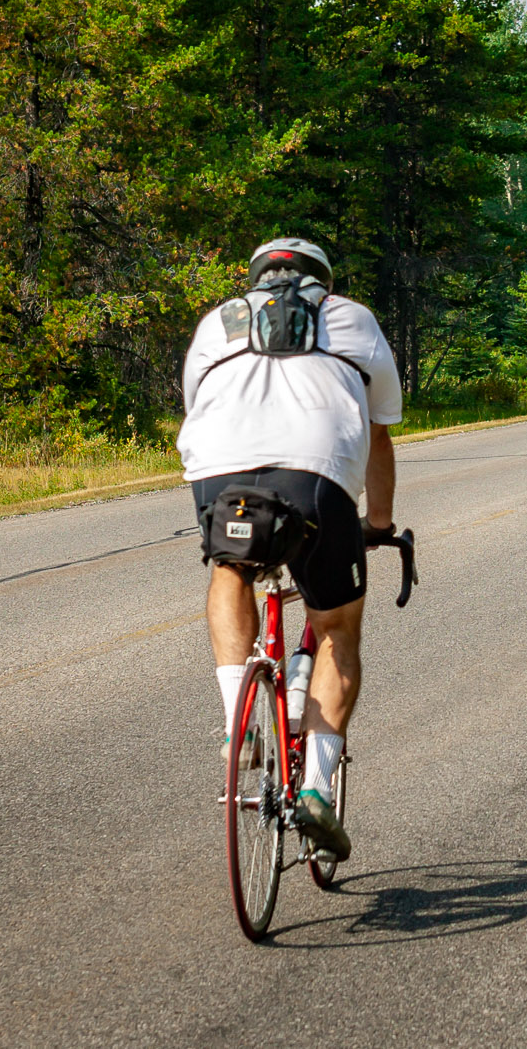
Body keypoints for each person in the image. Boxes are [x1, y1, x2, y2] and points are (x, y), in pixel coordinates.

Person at [179, 238, 403, 863]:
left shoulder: (217, 322)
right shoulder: (352, 318)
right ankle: (316, 791)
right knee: (336, 627)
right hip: (318, 476)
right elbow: (380, 432)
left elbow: (199, 407)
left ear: (254, 279)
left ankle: (237, 730)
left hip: (224, 472)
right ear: (323, 282)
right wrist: (378, 524)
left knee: (230, 571)